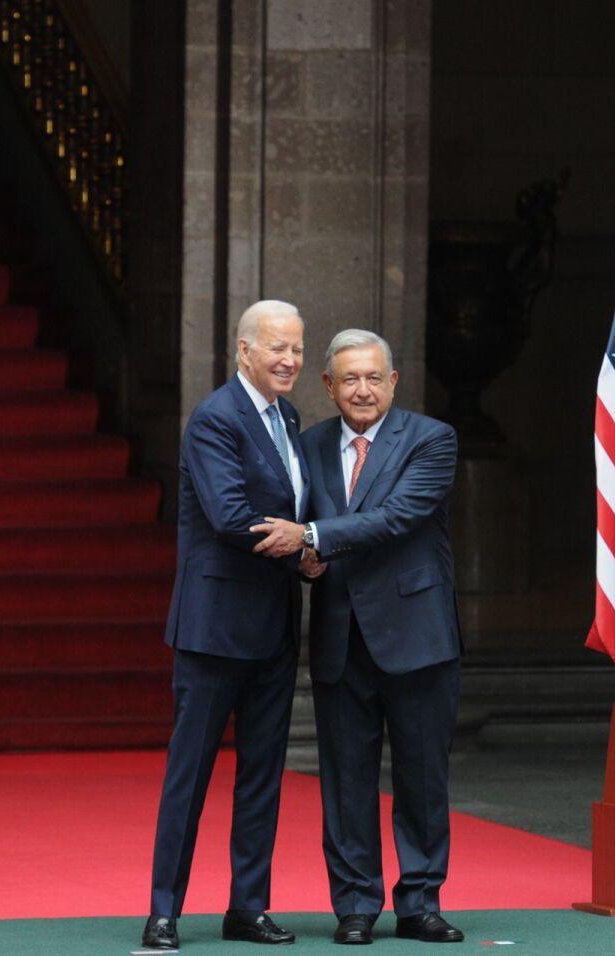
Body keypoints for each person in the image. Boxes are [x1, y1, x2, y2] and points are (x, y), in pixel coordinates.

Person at [252, 329, 464, 945]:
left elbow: (398, 516)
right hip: (341, 635)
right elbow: (291, 532)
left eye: (374, 378)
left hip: (418, 634)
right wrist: (303, 558)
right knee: (345, 781)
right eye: (350, 380)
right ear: (329, 387)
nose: (363, 390)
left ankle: (421, 903)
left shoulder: (432, 439)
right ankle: (355, 906)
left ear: (393, 382)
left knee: (423, 776)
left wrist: (312, 538)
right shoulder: (306, 445)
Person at [142, 300, 311, 950]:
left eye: (297, 348)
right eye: (277, 348)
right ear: (244, 351)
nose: (290, 359)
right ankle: (164, 911)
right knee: (190, 773)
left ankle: (249, 906)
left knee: (263, 773)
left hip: (273, 629)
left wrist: (311, 546)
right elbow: (230, 515)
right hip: (213, 631)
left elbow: (293, 510)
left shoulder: (288, 417)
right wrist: (309, 544)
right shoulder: (216, 418)